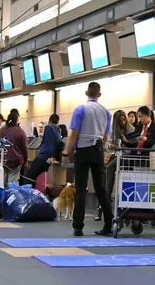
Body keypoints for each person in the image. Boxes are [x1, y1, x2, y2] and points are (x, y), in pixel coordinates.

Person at [62, 82, 113, 237]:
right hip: (98, 151)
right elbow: (106, 137)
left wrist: (66, 152)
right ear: (99, 94)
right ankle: (108, 224)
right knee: (101, 189)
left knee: (81, 189)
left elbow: (74, 134)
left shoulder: (80, 109)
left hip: (83, 151)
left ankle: (78, 226)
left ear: (86, 93)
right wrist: (101, 150)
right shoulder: (106, 112)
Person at [95, 110, 135, 221]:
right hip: (116, 155)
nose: (123, 122)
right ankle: (101, 207)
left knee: (109, 168)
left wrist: (120, 146)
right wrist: (114, 146)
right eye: (120, 120)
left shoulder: (131, 129)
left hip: (126, 157)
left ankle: (109, 198)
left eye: (124, 119)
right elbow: (108, 144)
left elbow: (132, 144)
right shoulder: (113, 130)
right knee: (105, 176)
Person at [23, 114, 62, 185]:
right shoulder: (58, 130)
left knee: (29, 176)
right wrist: (54, 157)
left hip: (44, 156)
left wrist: (52, 156)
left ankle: (27, 193)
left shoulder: (48, 128)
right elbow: (57, 143)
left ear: (49, 120)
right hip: (51, 158)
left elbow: (49, 143)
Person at [0, 113, 28, 187]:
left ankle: (3, 197)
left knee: (3, 182)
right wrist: (26, 159)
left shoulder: (1, 130)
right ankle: (12, 197)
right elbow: (25, 147)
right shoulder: (20, 131)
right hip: (16, 160)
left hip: (3, 159)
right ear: (16, 120)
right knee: (13, 183)